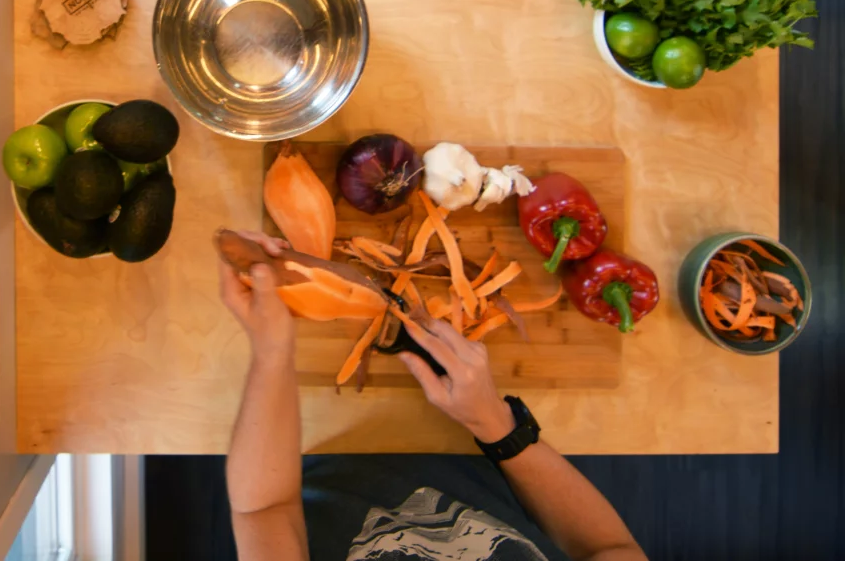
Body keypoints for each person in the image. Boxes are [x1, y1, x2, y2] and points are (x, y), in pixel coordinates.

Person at [220, 231, 648, 561]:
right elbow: (610, 549)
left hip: (310, 460)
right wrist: (498, 428)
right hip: (491, 472)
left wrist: (272, 350)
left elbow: (263, 510)